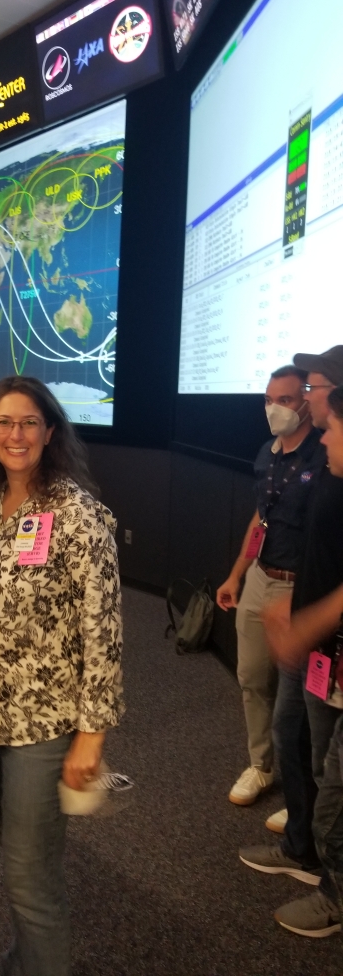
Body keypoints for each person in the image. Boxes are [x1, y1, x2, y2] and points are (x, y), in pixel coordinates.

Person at [0, 375, 123, 976]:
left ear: (50, 431)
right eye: (2, 422)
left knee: (31, 877)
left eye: (29, 421)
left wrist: (93, 736)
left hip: (47, 724)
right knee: (16, 850)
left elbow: (103, 631)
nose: (15, 433)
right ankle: (30, 957)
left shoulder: (79, 515)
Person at [216, 365, 325, 808]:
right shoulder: (266, 452)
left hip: (302, 588)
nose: (274, 409)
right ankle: (261, 766)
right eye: (268, 400)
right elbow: (261, 517)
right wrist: (237, 573)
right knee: (251, 678)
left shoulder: (326, 454)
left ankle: (304, 797)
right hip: (261, 576)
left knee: (298, 703)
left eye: (285, 400)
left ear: (305, 402)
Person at [262, 381, 343, 938]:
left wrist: (308, 622)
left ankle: (332, 890)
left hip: (326, 648)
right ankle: (304, 849)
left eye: (316, 391)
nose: (310, 402)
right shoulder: (329, 475)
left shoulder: (325, 467)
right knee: (309, 752)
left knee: (332, 777)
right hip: (323, 654)